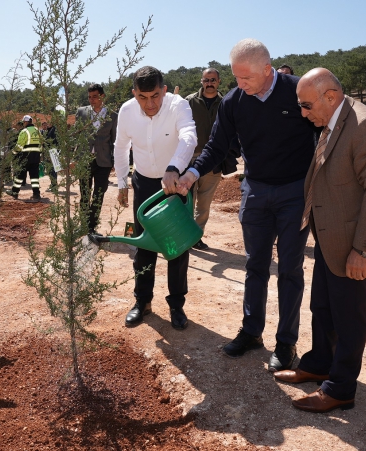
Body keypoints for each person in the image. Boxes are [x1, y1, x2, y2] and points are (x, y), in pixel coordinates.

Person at [176, 39, 318, 371]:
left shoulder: (298, 91)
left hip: (295, 192)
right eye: (236, 78)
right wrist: (192, 172)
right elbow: (215, 145)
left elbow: (324, 131)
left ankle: (286, 343)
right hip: (255, 190)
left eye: (246, 79)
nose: (239, 85)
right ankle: (252, 331)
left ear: (267, 70)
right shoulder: (234, 101)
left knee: (289, 269)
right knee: (254, 265)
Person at [273, 68, 366, 413]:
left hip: (354, 243)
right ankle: (318, 363)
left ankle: (341, 388)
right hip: (331, 240)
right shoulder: (334, 120)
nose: (302, 113)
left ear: (330, 97)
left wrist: (363, 250)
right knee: (323, 308)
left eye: (306, 105)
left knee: (348, 317)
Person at [114, 66, 197, 330]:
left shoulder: (178, 105)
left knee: (177, 248)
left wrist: (174, 167)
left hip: (174, 185)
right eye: (142, 97)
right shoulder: (127, 111)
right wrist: (121, 183)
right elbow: (120, 146)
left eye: (155, 96)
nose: (149, 104)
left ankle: (176, 306)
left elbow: (189, 136)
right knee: (144, 246)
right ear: (134, 93)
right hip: (144, 184)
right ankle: (142, 302)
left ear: (163, 90)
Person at [186, 68, 226, 250]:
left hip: (214, 161)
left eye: (213, 80)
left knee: (204, 203)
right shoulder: (189, 102)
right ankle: (184, 236)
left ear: (218, 82)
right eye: (206, 80)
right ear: (201, 82)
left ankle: (196, 237)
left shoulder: (226, 103)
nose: (209, 83)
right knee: (187, 201)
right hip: (190, 159)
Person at [76, 84, 118, 233]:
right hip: (85, 159)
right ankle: (83, 225)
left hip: (103, 161)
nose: (92, 100)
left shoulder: (112, 115)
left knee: (99, 194)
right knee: (85, 194)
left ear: (102, 96)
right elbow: (77, 134)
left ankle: (91, 226)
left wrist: (114, 161)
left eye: (95, 96)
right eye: (89, 97)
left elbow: (114, 140)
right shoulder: (81, 112)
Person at [6, 115, 42, 200]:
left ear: (25, 122)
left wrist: (12, 153)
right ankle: (36, 194)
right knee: (34, 177)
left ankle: (14, 192)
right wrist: (40, 154)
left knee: (19, 175)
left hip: (25, 156)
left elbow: (19, 145)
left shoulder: (24, 131)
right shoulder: (37, 130)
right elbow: (41, 144)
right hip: (36, 156)